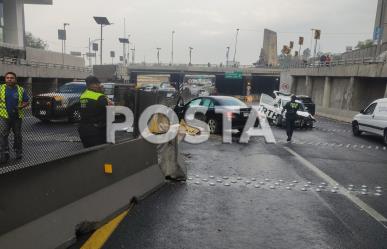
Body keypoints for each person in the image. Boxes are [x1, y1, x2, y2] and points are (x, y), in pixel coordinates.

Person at [0, 72, 29, 163]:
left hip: (17, 117)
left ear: (15, 79)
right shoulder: (1, 88)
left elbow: (26, 101)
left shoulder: (21, 89)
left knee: (17, 136)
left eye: (11, 78)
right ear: (5, 79)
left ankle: (18, 152)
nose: (9, 79)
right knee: (3, 135)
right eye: (7, 78)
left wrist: (21, 106)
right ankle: (5, 152)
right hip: (4, 116)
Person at [78, 75, 110, 148]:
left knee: (88, 152)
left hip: (83, 129)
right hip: (96, 130)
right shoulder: (99, 96)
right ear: (93, 85)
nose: (99, 85)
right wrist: (102, 92)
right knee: (99, 153)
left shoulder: (83, 95)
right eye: (97, 83)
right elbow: (108, 109)